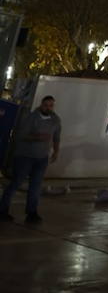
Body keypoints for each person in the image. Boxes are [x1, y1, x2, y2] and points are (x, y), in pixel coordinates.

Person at [0, 95, 61, 224]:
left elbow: (56, 137)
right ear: (41, 105)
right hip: (25, 156)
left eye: (51, 105)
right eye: (46, 105)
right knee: (16, 183)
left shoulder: (55, 120)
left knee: (36, 186)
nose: (48, 108)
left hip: (41, 158)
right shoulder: (31, 117)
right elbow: (21, 135)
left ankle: (32, 212)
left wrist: (56, 151)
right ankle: (3, 210)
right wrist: (38, 137)